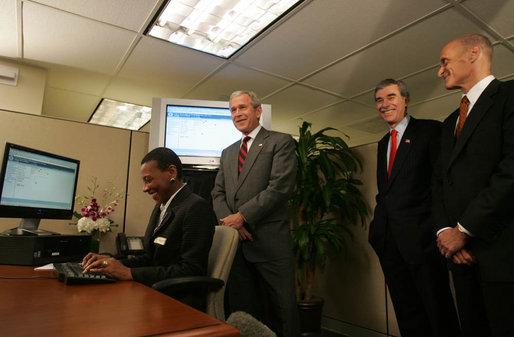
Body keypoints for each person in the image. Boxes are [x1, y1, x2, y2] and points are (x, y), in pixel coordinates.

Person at [434, 34, 514, 337]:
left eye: (445, 62)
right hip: (459, 258)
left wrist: (464, 231)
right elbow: (440, 182)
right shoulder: (449, 122)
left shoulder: (509, 96)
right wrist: (445, 233)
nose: (440, 71)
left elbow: (510, 172)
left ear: (474, 53)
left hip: (502, 255)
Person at [368, 79, 461, 337]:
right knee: (406, 310)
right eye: (379, 100)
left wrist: (445, 229)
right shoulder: (382, 143)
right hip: (389, 242)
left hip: (424, 242)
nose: (384, 104)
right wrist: (378, 232)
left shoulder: (431, 131)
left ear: (405, 100)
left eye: (390, 97)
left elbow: (442, 184)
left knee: (437, 309)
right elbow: (385, 194)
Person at [211, 90, 299, 337]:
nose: (237, 114)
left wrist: (242, 216)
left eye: (243, 108)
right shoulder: (228, 152)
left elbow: (280, 187)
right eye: (233, 110)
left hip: (270, 245)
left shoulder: (280, 142)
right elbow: (217, 193)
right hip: (236, 245)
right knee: (244, 312)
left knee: (284, 310)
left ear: (258, 111)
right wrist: (232, 224)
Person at [82, 147, 215, 309]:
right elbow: (150, 259)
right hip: (157, 292)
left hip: (178, 301)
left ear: (171, 172)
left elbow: (190, 270)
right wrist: (110, 263)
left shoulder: (196, 208)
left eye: (148, 180)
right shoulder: (162, 207)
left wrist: (129, 273)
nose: (144, 188)